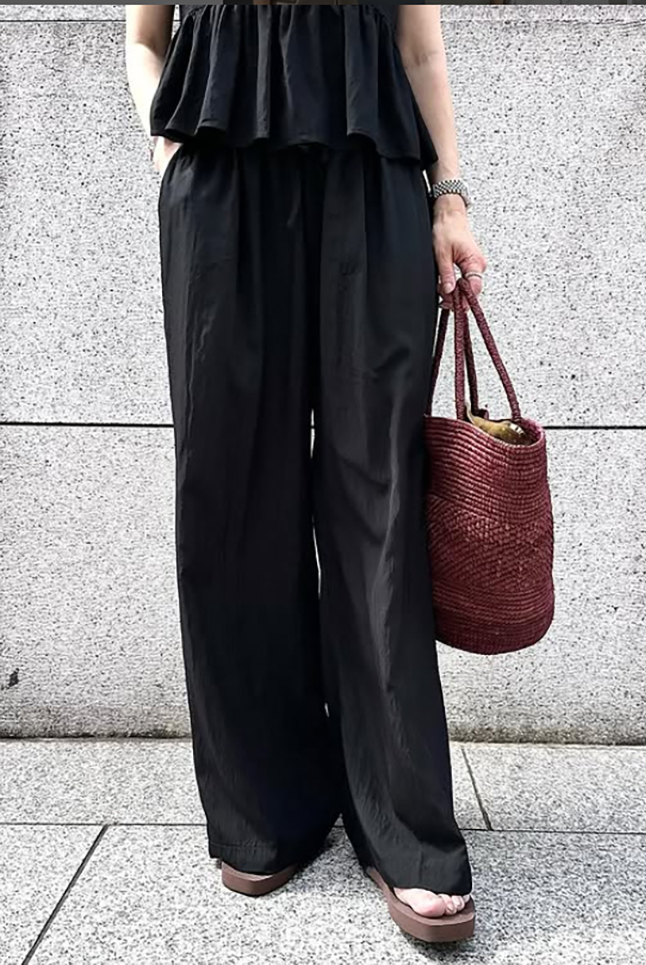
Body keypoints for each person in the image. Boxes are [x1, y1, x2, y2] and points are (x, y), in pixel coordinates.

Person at [125, 0, 487, 944]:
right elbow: (145, 39)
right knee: (230, 489)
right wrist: (168, 155)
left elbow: (419, 46)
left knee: (381, 493)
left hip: (372, 178)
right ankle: (266, 800)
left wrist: (450, 199)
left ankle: (403, 822)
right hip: (219, 180)